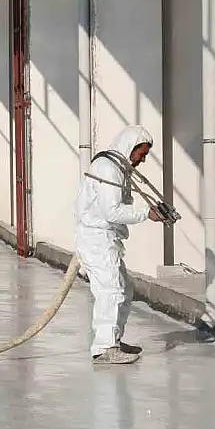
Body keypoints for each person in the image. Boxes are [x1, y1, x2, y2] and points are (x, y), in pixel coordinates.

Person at [74, 124, 165, 365]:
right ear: (130, 147)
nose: (143, 160)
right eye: (141, 154)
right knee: (110, 292)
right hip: (98, 240)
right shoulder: (107, 169)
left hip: (106, 240)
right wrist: (147, 213)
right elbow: (111, 212)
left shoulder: (116, 168)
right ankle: (104, 348)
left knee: (124, 290)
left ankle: (113, 339)